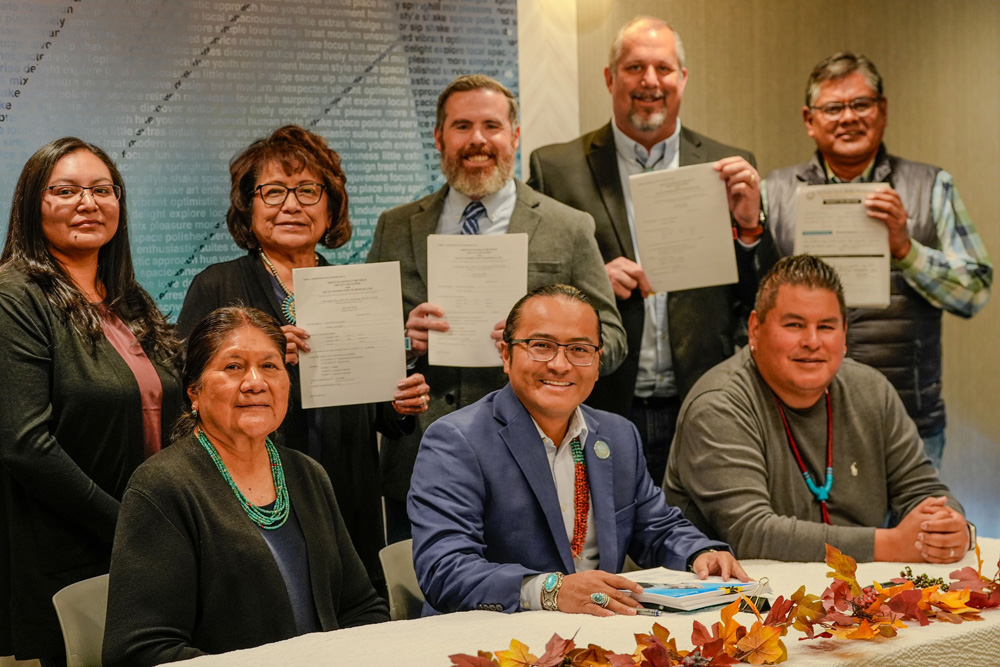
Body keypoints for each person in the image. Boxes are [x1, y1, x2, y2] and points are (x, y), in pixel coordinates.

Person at [367, 75, 626, 542]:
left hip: (535, 461)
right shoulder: (396, 226)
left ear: (515, 136)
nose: (478, 140)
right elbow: (364, 346)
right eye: (462, 126)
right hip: (420, 460)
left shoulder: (568, 227)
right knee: (432, 600)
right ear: (439, 138)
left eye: (491, 125)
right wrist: (404, 343)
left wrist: (544, 345)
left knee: (529, 598)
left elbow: (613, 338)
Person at [176, 125, 430, 594]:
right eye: (273, 192)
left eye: (308, 191)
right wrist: (264, 362)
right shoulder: (216, 287)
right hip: (249, 495)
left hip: (346, 492)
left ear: (330, 205)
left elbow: (378, 414)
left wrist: (399, 402)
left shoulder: (358, 290)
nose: (291, 205)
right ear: (248, 206)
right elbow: (185, 395)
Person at [528, 16, 779, 485]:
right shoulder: (555, 168)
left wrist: (750, 227)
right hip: (598, 399)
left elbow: (759, 298)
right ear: (609, 78)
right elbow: (535, 291)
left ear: (682, 78)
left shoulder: (728, 165)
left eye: (663, 69)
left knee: (699, 548)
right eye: (634, 67)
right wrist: (592, 279)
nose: (649, 82)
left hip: (704, 401)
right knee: (600, 544)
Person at [409, 285, 747, 616]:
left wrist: (701, 553)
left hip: (599, 635)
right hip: (487, 641)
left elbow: (657, 527)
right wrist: (552, 591)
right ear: (506, 355)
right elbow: (445, 569)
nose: (560, 364)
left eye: (579, 350)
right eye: (541, 345)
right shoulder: (457, 441)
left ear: (598, 363)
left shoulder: (618, 435)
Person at [103, 307, 388, 666]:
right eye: (233, 367)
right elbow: (141, 650)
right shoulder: (162, 487)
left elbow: (361, 607)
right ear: (195, 391)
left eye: (270, 366)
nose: (256, 382)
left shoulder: (307, 474)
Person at [0, 138, 182, 666]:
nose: (88, 202)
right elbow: (24, 443)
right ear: (34, 204)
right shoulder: (15, 295)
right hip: (71, 553)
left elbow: (169, 396)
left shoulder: (128, 297)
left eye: (103, 190)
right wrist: (127, 523)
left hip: (145, 549)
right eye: (65, 190)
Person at [763, 52, 992, 469]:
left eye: (861, 104)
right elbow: (749, 308)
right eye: (833, 108)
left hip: (907, 422)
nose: (848, 118)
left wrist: (907, 249)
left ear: (882, 111)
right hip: (795, 421)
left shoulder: (930, 185)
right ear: (809, 120)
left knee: (913, 535)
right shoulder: (773, 193)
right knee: (811, 537)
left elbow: (974, 294)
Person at [664, 255, 972, 564]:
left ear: (844, 335)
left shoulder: (872, 390)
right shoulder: (718, 405)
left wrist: (950, 527)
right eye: (794, 325)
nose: (812, 341)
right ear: (755, 329)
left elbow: (923, 490)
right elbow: (750, 533)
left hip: (854, 594)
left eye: (826, 327)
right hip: (738, 601)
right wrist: (890, 544)